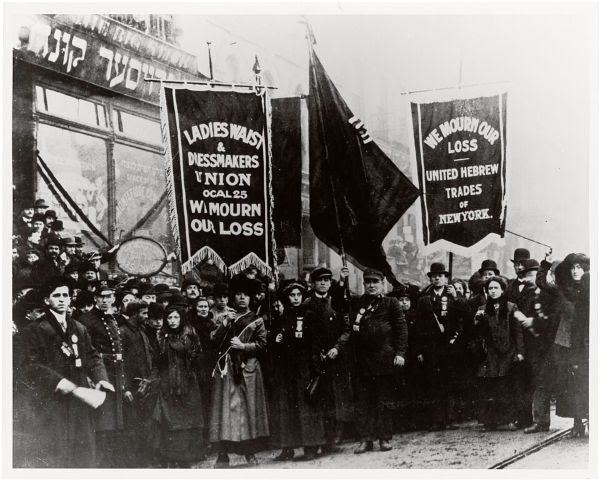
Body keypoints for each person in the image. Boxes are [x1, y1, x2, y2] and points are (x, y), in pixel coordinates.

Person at [19, 277, 111, 468]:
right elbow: (30, 365)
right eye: (57, 295)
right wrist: (58, 382)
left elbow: (92, 356)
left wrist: (101, 378)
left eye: (66, 295)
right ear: (47, 300)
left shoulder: (79, 327)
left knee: (84, 451)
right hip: (53, 401)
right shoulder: (34, 330)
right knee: (57, 452)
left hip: (81, 398)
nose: (62, 299)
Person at [209, 275, 269, 468]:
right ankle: (223, 453)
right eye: (238, 294)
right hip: (227, 368)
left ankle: (249, 452)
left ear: (251, 298)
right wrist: (226, 323)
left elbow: (262, 345)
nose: (242, 298)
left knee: (247, 411)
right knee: (225, 412)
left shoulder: (257, 320)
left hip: (248, 369)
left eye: (246, 295)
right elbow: (213, 340)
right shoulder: (225, 317)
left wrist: (243, 346)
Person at [352, 269, 407, 454]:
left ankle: (384, 438)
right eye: (368, 282)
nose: (371, 285)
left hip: (384, 359)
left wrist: (400, 353)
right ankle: (366, 439)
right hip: (363, 361)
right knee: (364, 403)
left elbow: (401, 328)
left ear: (382, 283)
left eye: (375, 282)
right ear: (363, 284)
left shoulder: (391, 303)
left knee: (384, 401)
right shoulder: (357, 302)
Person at [269, 280, 326, 461]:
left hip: (304, 367)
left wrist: (314, 367)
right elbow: (274, 345)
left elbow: (315, 342)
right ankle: (287, 447)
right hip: (286, 368)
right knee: (286, 408)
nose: (295, 298)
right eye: (292, 295)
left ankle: (311, 445)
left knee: (306, 406)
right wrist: (277, 340)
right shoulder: (281, 318)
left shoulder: (309, 315)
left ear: (302, 297)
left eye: (298, 295)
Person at [536, 252, 589, 436]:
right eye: (573, 267)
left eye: (580, 267)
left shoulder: (591, 288)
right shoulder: (563, 289)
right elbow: (542, 283)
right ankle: (577, 423)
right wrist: (545, 263)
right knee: (572, 384)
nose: (576, 271)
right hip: (566, 342)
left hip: (586, 342)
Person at [79, 285, 131, 468]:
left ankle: (114, 462)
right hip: (101, 374)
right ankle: (101, 463)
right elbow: (87, 352)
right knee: (103, 419)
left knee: (117, 419)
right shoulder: (86, 320)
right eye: (101, 297)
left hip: (117, 372)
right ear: (95, 298)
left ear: (113, 299)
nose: (105, 300)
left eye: (108, 297)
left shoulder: (115, 319)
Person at [150, 305, 204, 467]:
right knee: (170, 420)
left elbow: (197, 355)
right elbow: (155, 360)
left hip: (187, 382)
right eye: (169, 318)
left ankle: (186, 458)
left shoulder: (189, 334)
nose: (173, 321)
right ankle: (171, 457)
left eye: (176, 317)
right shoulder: (161, 336)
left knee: (188, 420)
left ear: (181, 318)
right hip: (168, 383)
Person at [472, 277, 526, 430]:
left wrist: (520, 351)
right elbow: (476, 332)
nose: (493, 291)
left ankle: (509, 419)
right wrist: (477, 321)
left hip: (508, 351)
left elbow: (518, 332)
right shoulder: (482, 309)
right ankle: (490, 421)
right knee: (490, 386)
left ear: (502, 290)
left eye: (496, 288)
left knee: (505, 385)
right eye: (490, 289)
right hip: (490, 353)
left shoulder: (511, 307)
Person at [415, 262, 464, 430]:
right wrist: (420, 350)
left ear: (445, 278)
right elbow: (418, 326)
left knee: (449, 383)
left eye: (441, 275)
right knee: (433, 384)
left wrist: (456, 297)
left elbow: (462, 317)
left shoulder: (452, 296)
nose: (437, 278)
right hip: (431, 347)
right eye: (434, 276)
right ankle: (436, 420)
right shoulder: (424, 299)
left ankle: (450, 419)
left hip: (450, 346)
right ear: (430, 278)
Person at [120, 299, 155, 467]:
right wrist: (125, 388)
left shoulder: (142, 331)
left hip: (145, 386)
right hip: (132, 388)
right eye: (144, 313)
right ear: (134, 314)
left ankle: (144, 461)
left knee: (145, 425)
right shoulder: (123, 333)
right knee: (132, 427)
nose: (147, 316)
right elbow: (121, 364)